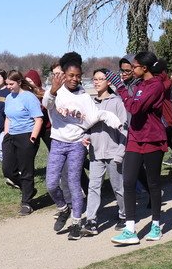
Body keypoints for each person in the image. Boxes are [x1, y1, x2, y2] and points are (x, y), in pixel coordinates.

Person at [42, 53, 123, 239]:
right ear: (63, 74)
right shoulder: (56, 91)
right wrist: (53, 90)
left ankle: (77, 222)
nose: (74, 79)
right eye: (71, 75)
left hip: (76, 144)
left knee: (73, 184)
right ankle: (63, 209)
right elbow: (47, 104)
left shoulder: (84, 97)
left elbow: (95, 115)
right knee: (51, 183)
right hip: (58, 142)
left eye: (78, 76)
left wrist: (112, 119)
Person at [108, 51, 168, 244]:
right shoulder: (140, 85)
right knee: (129, 181)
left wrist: (120, 87)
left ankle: (156, 225)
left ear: (145, 68)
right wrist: (126, 92)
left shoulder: (156, 85)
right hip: (135, 138)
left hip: (152, 139)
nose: (131, 69)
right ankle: (130, 230)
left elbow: (134, 108)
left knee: (153, 183)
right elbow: (134, 104)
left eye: (134, 66)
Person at [86, 68, 128, 232]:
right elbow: (86, 126)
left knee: (118, 187)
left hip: (114, 153)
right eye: (94, 79)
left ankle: (124, 215)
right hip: (95, 154)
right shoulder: (90, 103)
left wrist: (120, 152)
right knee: (93, 186)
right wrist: (86, 137)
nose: (96, 82)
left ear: (108, 82)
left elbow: (124, 128)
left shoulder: (116, 102)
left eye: (100, 79)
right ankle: (91, 221)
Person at [2, 70, 44, 215]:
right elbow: (8, 117)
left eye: (11, 84)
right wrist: (6, 133)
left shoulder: (28, 97)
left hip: (26, 136)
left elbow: (38, 119)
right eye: (7, 84)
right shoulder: (8, 98)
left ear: (19, 82)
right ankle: (29, 189)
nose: (8, 87)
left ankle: (26, 202)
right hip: (11, 136)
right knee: (8, 170)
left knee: (26, 171)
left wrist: (33, 137)